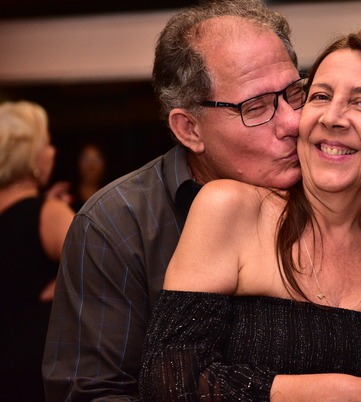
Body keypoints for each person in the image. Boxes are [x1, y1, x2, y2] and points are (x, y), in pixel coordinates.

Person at [140, 28, 361, 401]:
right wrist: (325, 391)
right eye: (320, 96)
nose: (333, 118)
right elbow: (169, 382)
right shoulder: (231, 209)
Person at [42, 1, 302, 400]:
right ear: (190, 129)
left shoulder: (328, 193)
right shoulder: (117, 225)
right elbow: (94, 391)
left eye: (295, 94)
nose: (293, 122)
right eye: (255, 107)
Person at [0, 101, 75, 401]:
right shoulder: (48, 213)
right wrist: (62, 285)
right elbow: (100, 272)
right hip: (33, 367)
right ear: (31, 155)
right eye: (47, 143)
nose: (52, 152)